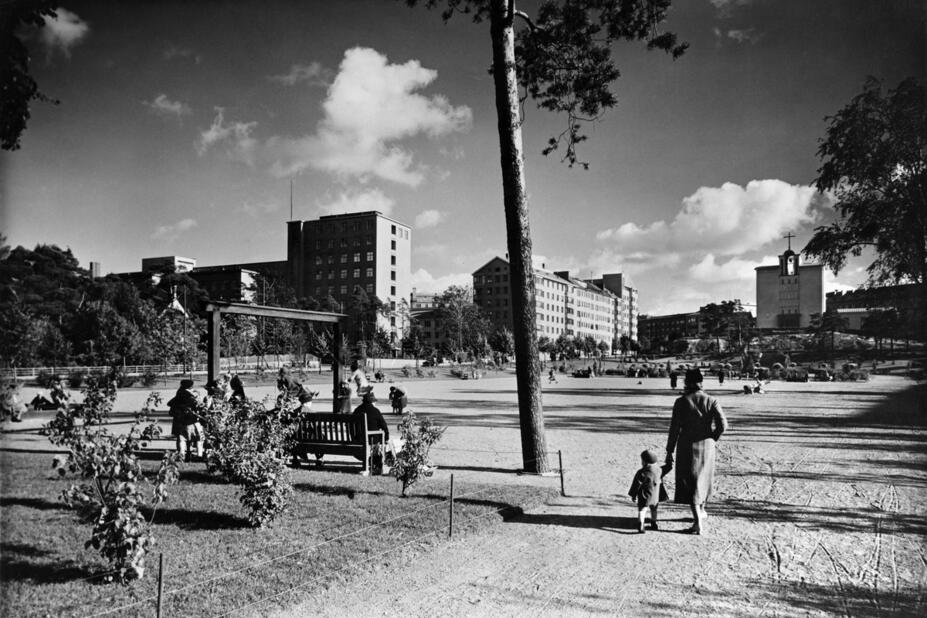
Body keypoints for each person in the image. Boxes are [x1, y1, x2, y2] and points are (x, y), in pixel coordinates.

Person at [665, 368, 727, 535]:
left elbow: (674, 429)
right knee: (704, 478)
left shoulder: (681, 402)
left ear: (688, 382)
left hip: (687, 444)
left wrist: (669, 450)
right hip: (707, 445)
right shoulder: (712, 400)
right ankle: (702, 511)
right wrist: (713, 438)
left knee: (690, 482)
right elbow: (723, 425)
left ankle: (697, 522)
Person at [628, 449, 671, 533]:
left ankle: (641, 524)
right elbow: (669, 467)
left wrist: (633, 495)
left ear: (645, 462)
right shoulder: (659, 470)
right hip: (655, 496)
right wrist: (669, 458)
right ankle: (653, 523)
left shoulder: (641, 472)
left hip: (644, 496)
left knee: (642, 510)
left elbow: (636, 485)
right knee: (654, 510)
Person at [167, 379, 204, 462]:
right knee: (199, 438)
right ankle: (199, 455)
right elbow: (199, 406)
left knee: (182, 439)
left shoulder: (179, 394)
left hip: (181, 421)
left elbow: (169, 403)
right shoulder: (192, 396)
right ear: (190, 386)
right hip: (192, 420)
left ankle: (182, 455)